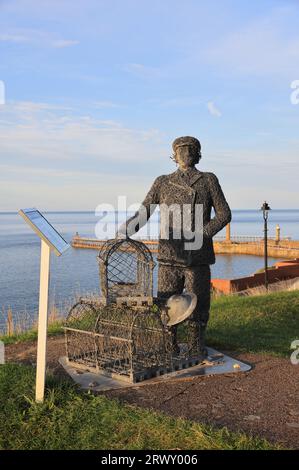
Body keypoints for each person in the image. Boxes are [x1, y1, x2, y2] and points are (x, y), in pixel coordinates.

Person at [119, 136, 232, 356]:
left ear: (198, 154)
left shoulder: (208, 180)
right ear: (174, 155)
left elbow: (224, 214)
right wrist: (126, 230)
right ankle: (168, 345)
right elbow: (144, 212)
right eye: (180, 150)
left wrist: (203, 233)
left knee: (198, 305)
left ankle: (195, 347)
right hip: (169, 256)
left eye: (190, 149)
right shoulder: (162, 181)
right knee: (166, 303)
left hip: (197, 256)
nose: (185, 154)